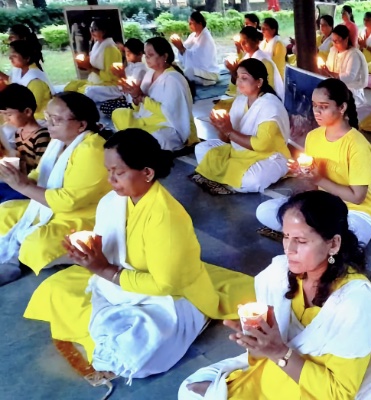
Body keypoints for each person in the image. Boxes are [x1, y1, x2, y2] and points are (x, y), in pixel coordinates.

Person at [23, 128, 255, 380]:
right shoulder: (112, 201)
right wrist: (90, 253)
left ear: (147, 172)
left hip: (171, 294)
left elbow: (164, 284)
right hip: (123, 278)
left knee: (134, 352)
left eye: (119, 172)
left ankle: (197, 317)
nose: (111, 179)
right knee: (54, 289)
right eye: (108, 170)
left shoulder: (166, 217)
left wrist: (104, 270)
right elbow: (112, 248)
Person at [179, 190, 371, 400]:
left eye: (301, 241)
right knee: (188, 390)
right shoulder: (277, 274)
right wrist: (257, 343)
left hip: (317, 389)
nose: (288, 249)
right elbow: (268, 350)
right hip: (279, 367)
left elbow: (339, 395)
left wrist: (279, 352)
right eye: (285, 236)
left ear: (333, 244)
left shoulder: (354, 304)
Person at [0, 92, 111, 285]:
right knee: (4, 212)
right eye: (48, 117)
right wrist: (15, 177)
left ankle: (19, 261)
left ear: (81, 125)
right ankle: (18, 252)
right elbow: (40, 175)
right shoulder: (59, 141)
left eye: (56, 120)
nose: (48, 123)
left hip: (82, 217)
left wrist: (22, 185)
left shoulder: (92, 150)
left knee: (36, 245)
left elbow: (68, 202)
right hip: (50, 209)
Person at [256, 79, 371, 246]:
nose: (316, 111)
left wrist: (319, 179)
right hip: (323, 206)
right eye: (314, 105)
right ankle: (314, 237)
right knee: (264, 211)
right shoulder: (313, 137)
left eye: (323, 106)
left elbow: (357, 197)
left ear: (342, 107)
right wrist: (304, 174)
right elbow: (313, 188)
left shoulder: (357, 145)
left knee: (347, 241)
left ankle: (312, 237)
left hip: (356, 212)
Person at [195, 58, 290, 193]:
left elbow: (261, 145)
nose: (239, 82)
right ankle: (232, 179)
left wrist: (228, 130)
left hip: (268, 156)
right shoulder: (240, 101)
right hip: (239, 152)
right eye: (237, 77)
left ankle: (229, 177)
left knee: (252, 180)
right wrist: (220, 127)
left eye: (244, 78)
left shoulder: (270, 106)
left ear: (259, 82)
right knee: (201, 148)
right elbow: (226, 140)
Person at [112, 37, 198, 151]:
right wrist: (135, 96)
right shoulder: (149, 74)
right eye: (146, 55)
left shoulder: (174, 79)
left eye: (151, 55)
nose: (146, 58)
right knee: (118, 113)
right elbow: (138, 108)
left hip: (167, 126)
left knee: (158, 137)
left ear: (165, 56)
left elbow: (169, 113)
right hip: (145, 120)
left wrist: (142, 97)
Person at [0, 84, 50, 203]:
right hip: (23, 181)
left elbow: (43, 171)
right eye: (2, 114)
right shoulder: (19, 132)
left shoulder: (41, 136)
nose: (6, 119)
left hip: (35, 187)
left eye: (9, 114)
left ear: (27, 111)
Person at [64, 19, 122, 102]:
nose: (91, 32)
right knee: (70, 86)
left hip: (109, 85)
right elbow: (91, 67)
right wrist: (83, 63)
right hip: (95, 81)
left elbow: (110, 77)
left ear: (104, 31)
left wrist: (90, 67)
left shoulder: (110, 49)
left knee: (88, 92)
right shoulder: (97, 45)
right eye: (90, 28)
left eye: (95, 29)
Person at [224, 26, 284, 102]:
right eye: (241, 42)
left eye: (245, 41)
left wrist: (235, 73)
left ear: (256, 42)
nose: (242, 44)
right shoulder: (245, 58)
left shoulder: (264, 62)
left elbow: (267, 89)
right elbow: (236, 86)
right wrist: (233, 72)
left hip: (265, 100)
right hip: (249, 97)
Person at [0, 40, 54, 121]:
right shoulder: (19, 70)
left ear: (27, 58)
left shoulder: (35, 80)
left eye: (14, 56)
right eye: (10, 55)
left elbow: (32, 107)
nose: (10, 58)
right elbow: (13, 83)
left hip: (38, 117)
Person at [319, 25, 368, 108]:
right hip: (334, 88)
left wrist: (330, 73)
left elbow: (350, 76)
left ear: (346, 39)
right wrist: (324, 70)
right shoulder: (333, 50)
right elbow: (328, 66)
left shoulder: (353, 55)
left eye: (337, 41)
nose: (334, 44)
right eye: (333, 41)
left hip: (351, 90)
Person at [98, 38, 148, 116]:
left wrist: (122, 76)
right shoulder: (129, 66)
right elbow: (122, 86)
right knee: (104, 105)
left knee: (110, 109)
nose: (127, 55)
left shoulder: (141, 70)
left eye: (129, 52)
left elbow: (131, 88)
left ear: (140, 54)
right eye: (125, 52)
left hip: (134, 103)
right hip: (125, 97)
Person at [171, 11, 221, 86]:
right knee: (174, 65)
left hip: (209, 72)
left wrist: (182, 48)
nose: (189, 25)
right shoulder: (192, 36)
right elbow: (184, 51)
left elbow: (199, 59)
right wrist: (180, 48)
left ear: (200, 23)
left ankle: (209, 80)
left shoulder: (206, 38)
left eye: (191, 23)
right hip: (197, 70)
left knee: (188, 72)